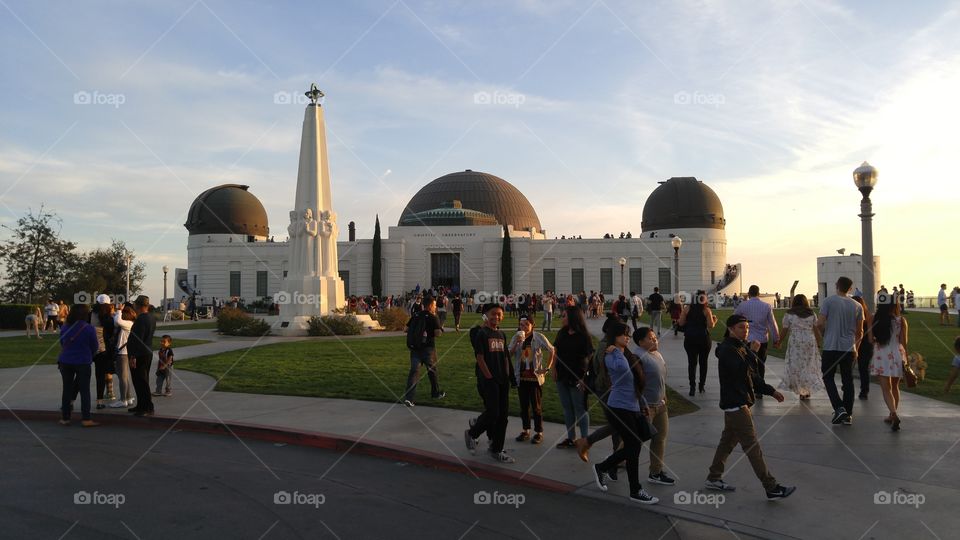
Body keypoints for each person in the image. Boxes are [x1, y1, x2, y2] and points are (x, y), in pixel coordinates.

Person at [705, 314, 795, 500]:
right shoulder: (727, 350)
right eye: (741, 327)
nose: (745, 331)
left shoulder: (740, 347)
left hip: (739, 402)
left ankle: (713, 477)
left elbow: (752, 376)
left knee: (727, 443)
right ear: (730, 329)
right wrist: (753, 353)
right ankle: (771, 487)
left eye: (747, 327)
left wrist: (771, 391)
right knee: (752, 447)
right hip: (736, 404)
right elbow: (740, 372)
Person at [590, 321, 659, 504]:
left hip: (633, 406)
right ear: (614, 336)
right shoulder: (611, 356)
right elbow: (622, 370)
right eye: (624, 334)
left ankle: (603, 467)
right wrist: (615, 351)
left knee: (635, 444)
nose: (628, 337)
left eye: (629, 334)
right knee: (634, 446)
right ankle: (635, 490)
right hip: (618, 406)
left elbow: (635, 382)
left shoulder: (625, 354)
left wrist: (642, 402)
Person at [464, 304, 516, 463]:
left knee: (503, 417)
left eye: (500, 314)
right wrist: (489, 377)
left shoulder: (501, 334)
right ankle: (472, 433)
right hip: (489, 380)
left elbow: (505, 357)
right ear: (486, 315)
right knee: (493, 412)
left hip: (502, 380)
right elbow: (480, 358)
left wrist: (507, 376)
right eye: (493, 313)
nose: (497, 317)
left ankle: (497, 449)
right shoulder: (482, 333)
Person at [816, 277, 864, 426]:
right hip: (849, 348)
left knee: (828, 377)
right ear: (850, 288)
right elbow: (860, 332)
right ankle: (848, 414)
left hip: (831, 346)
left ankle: (839, 407)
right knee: (848, 380)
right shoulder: (857, 306)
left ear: (836, 285)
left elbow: (820, 323)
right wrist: (856, 348)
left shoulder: (828, 301)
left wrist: (823, 334)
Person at [633, 327, 674, 486]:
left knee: (659, 439)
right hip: (646, 407)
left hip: (660, 405)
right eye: (650, 338)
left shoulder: (656, 354)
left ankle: (655, 472)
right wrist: (641, 403)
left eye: (655, 337)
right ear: (640, 342)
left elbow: (661, 378)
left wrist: (664, 395)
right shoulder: (637, 357)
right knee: (634, 440)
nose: (655, 339)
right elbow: (634, 384)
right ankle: (611, 465)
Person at [551, 305, 594, 448]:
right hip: (562, 375)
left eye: (564, 316)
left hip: (578, 376)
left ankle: (585, 440)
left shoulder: (584, 336)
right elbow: (556, 352)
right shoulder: (562, 333)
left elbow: (591, 359)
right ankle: (571, 438)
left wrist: (585, 378)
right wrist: (553, 368)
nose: (562, 318)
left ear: (572, 318)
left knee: (580, 408)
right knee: (567, 408)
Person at [510, 315, 554, 444]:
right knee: (524, 406)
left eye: (526, 324)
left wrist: (546, 368)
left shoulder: (538, 337)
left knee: (536, 407)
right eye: (521, 325)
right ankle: (526, 430)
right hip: (521, 377)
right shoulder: (516, 337)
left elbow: (552, 350)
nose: (523, 327)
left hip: (534, 379)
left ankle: (539, 432)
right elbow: (509, 354)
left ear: (532, 325)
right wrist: (517, 343)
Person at [870, 294, 909, 431]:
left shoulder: (874, 318)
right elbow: (904, 342)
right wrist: (906, 359)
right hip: (897, 354)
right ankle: (892, 414)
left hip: (881, 354)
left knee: (886, 388)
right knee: (895, 387)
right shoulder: (901, 320)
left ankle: (893, 414)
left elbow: (870, 339)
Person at [57, 304, 99, 427]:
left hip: (66, 361)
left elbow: (62, 342)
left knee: (67, 389)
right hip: (83, 361)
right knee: (84, 390)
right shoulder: (89, 328)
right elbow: (95, 346)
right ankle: (86, 418)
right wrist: (90, 354)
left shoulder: (65, 327)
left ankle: (65, 418)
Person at [777, 294, 824, 400]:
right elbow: (816, 329)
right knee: (808, 365)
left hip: (795, 341)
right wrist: (818, 342)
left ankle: (801, 389)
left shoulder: (789, 314)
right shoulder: (811, 313)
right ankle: (806, 390)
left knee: (796, 365)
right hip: (809, 340)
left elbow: (784, 330)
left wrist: (779, 341)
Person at [734, 285, 780, 390]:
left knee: (748, 363)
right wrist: (776, 339)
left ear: (749, 293)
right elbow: (772, 324)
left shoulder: (743, 305)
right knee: (761, 364)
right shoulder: (766, 306)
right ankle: (760, 388)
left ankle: (749, 385)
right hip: (762, 339)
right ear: (758, 294)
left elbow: (734, 317)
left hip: (747, 338)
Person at [402, 297, 445, 406]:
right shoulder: (433, 317)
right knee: (432, 371)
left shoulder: (416, 315)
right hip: (428, 349)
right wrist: (439, 329)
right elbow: (437, 334)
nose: (435, 307)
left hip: (415, 348)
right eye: (434, 305)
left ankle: (409, 398)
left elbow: (405, 329)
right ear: (430, 306)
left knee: (414, 372)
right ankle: (435, 393)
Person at [678, 290, 717, 396]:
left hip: (690, 338)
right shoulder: (706, 310)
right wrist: (714, 320)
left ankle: (692, 387)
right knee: (703, 363)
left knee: (692, 363)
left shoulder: (687, 309)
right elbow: (710, 325)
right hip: (703, 338)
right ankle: (701, 385)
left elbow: (681, 323)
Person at [127, 295, 157, 417]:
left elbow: (137, 339)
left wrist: (133, 356)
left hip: (139, 354)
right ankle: (141, 405)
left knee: (140, 381)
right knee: (142, 380)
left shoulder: (141, 319)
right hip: (147, 352)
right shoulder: (151, 317)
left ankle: (147, 407)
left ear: (137, 305)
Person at [91, 296, 117, 409]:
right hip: (102, 349)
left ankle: (71, 401)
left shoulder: (90, 315)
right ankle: (100, 401)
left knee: (81, 376)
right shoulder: (108, 318)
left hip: (89, 347)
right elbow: (112, 333)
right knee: (101, 375)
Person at [110, 304, 137, 408]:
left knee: (122, 378)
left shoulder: (128, 323)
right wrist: (117, 312)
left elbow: (117, 321)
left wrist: (119, 310)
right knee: (125, 377)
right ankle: (128, 397)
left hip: (122, 353)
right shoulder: (129, 323)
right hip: (125, 353)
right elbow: (116, 321)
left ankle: (123, 400)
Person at [852, 295, 873, 400]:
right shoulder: (868, 315)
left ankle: (847, 385)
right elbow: (870, 332)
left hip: (854, 343)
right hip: (866, 344)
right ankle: (864, 391)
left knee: (848, 367)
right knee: (863, 369)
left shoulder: (853, 314)